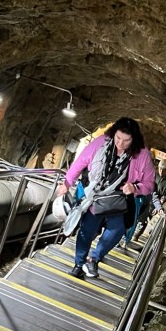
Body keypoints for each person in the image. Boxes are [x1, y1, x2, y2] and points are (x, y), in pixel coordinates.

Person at [56, 118, 155, 279]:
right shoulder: (101, 142)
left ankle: (94, 259)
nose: (121, 143)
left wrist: (135, 187)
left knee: (117, 230)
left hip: (118, 199)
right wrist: (67, 183)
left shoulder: (142, 155)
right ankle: (79, 264)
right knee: (87, 230)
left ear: (134, 140)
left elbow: (150, 183)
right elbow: (81, 162)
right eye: (118, 138)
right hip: (95, 195)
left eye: (126, 140)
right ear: (113, 133)